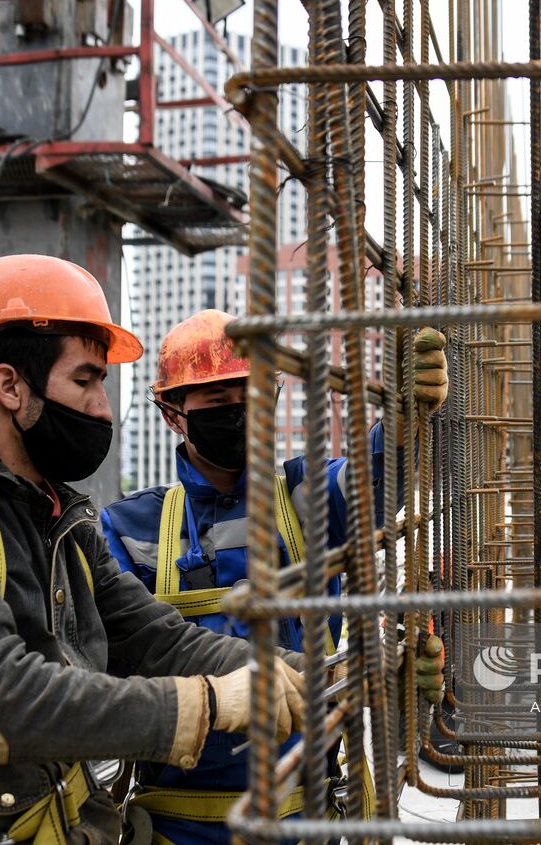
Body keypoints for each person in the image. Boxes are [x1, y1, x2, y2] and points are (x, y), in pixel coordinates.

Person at [0, 256, 312, 844]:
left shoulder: (57, 517)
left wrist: (293, 673)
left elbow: (149, 636)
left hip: (48, 817)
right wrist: (200, 705)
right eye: (85, 380)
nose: (102, 408)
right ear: (9, 386)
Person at [102, 309, 448, 844]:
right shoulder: (130, 527)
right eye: (218, 403)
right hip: (180, 825)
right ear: (174, 414)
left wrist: (403, 425)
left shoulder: (304, 496)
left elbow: (373, 478)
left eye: (254, 397)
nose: (240, 413)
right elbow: (122, 654)